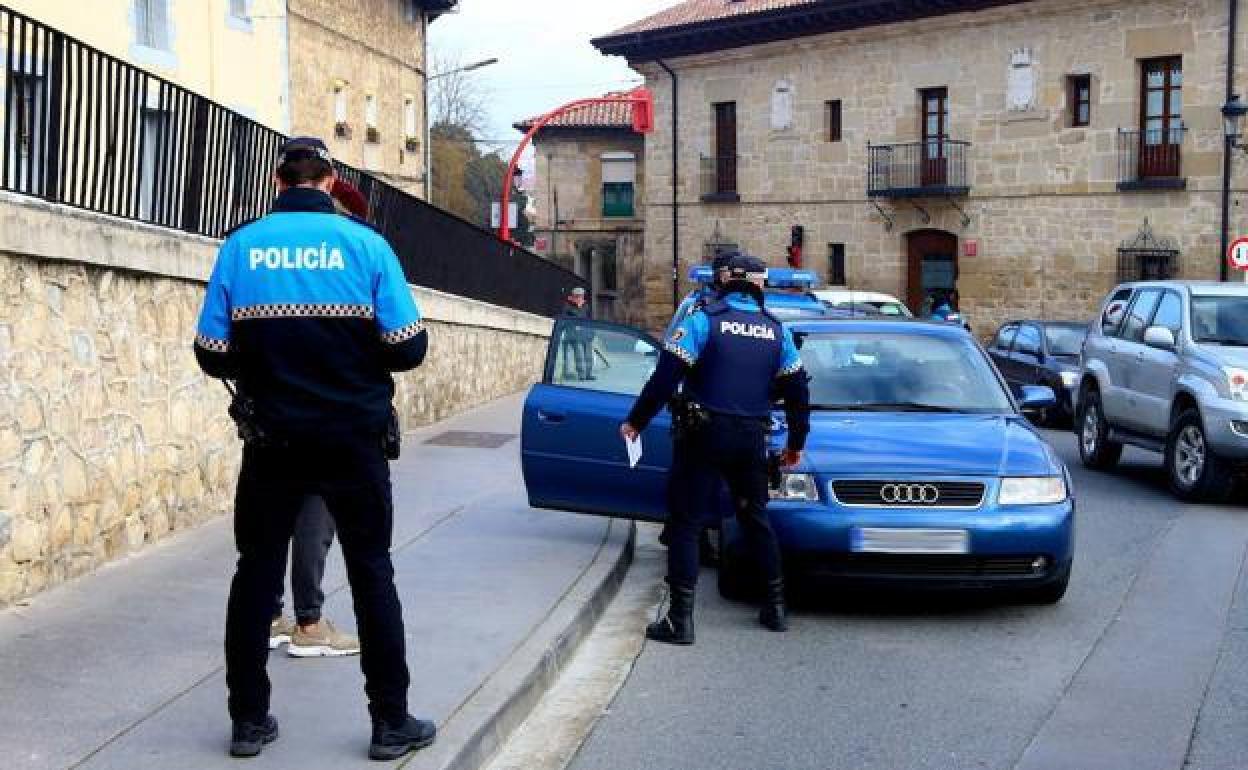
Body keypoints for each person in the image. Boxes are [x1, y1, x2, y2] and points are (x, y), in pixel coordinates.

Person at [193, 136, 435, 760]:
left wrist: (266, 357)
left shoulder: (241, 247)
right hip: (353, 438)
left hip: (273, 439)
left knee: (255, 574)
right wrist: (354, 354)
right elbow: (409, 348)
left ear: (279, 182)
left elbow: (210, 353)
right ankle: (391, 722)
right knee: (372, 570)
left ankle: (248, 721)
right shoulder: (366, 245)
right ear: (328, 180)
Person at [620, 254, 811, 645]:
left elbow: (664, 378)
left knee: (687, 523)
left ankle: (679, 621)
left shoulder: (703, 319)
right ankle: (775, 609)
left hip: (702, 436)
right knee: (754, 517)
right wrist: (795, 445)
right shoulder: (778, 332)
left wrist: (636, 421)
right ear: (759, 286)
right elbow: (798, 394)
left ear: (723, 283)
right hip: (751, 440)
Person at [268, 177, 374, 660]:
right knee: (315, 519)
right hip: (331, 418)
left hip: (272, 416)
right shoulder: (353, 256)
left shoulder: (259, 247)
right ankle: (309, 621)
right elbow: (405, 344)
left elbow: (215, 348)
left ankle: (270, 616)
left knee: (270, 520)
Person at [657, 250, 736, 561]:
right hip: (697, 406)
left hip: (737, 409)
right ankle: (687, 536)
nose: (733, 277)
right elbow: (672, 353)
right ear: (718, 274)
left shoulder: (751, 311)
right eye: (729, 272)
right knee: (688, 481)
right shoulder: (698, 308)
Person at [560, 287, 594, 381]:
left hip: (586, 333)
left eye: (581, 296)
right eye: (578, 296)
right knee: (579, 355)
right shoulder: (567, 306)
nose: (580, 298)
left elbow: (590, 319)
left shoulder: (586, 305)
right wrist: (577, 307)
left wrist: (592, 333)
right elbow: (564, 318)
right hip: (574, 334)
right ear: (573, 296)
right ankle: (581, 375)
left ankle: (588, 374)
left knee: (588, 355)